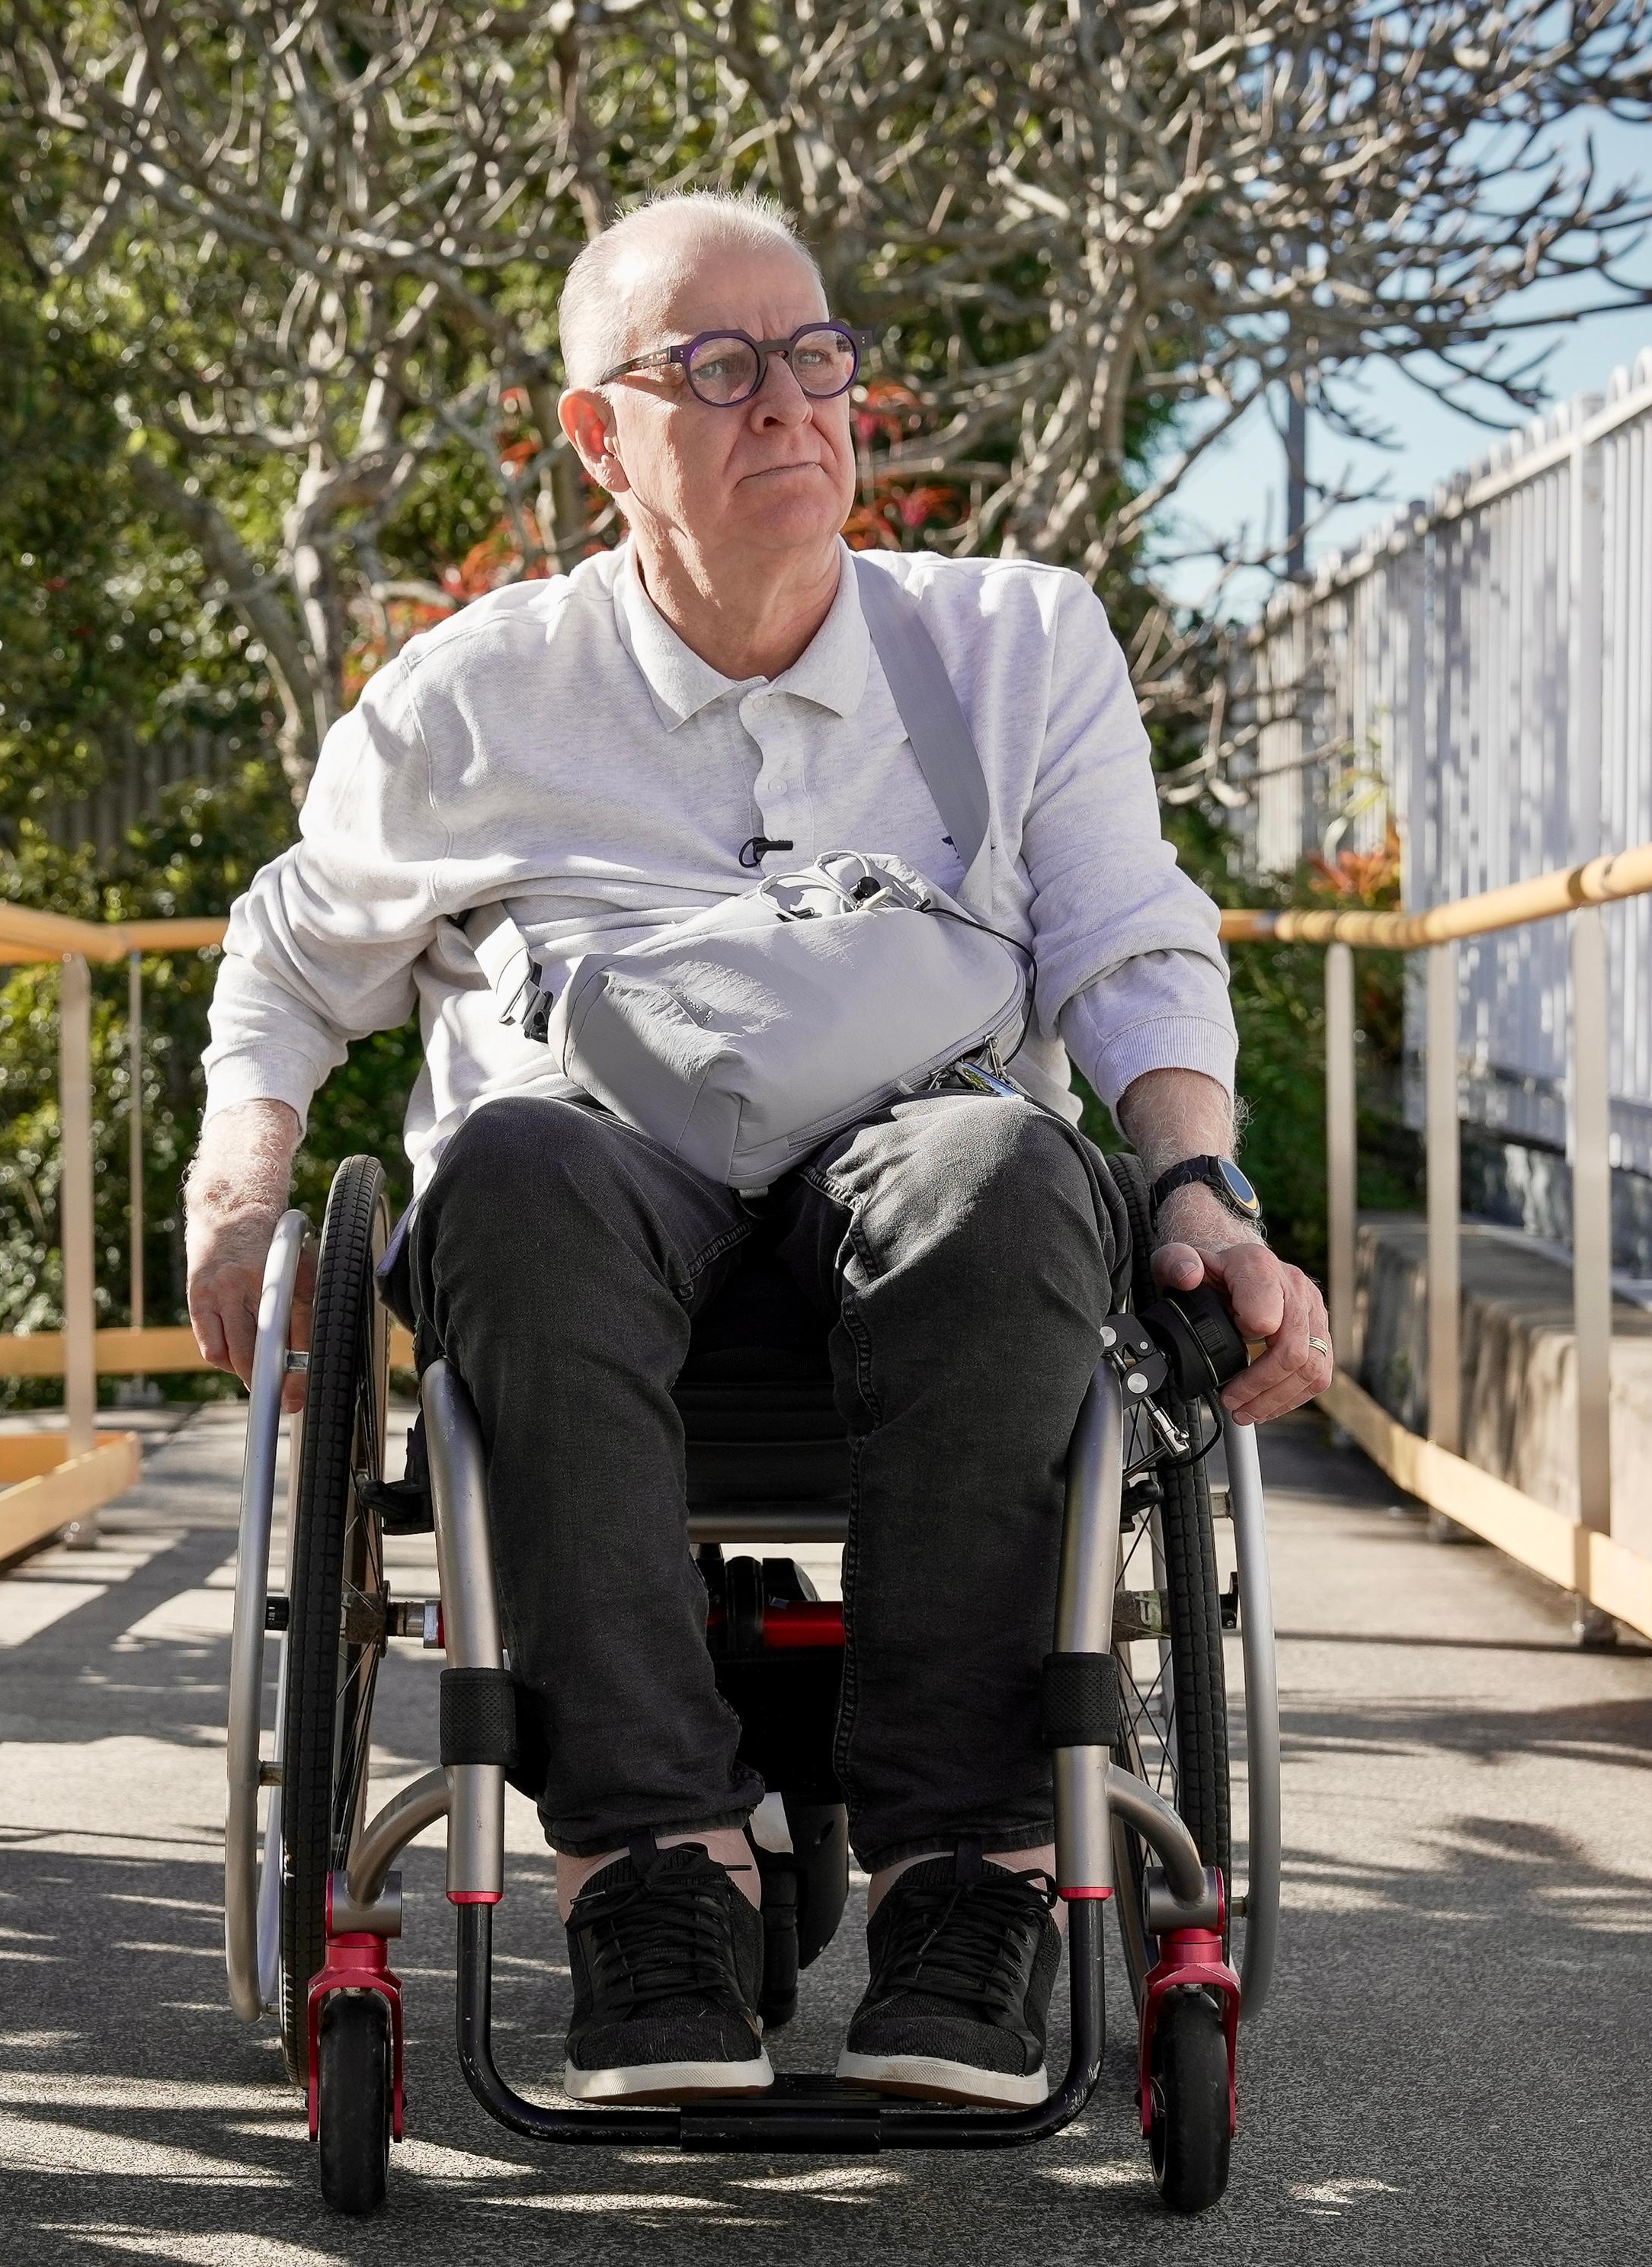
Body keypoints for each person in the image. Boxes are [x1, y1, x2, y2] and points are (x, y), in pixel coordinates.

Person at [186, 189, 1329, 2110]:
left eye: (813, 357)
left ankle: (970, 1868)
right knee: (517, 1178)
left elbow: (1131, 936)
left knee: (1004, 1171)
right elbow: (289, 961)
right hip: (591, 1194)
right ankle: (655, 1870)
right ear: (596, 434)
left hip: (920, 1186)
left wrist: (1200, 1187)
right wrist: (241, 1204)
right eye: (713, 369)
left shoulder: (1015, 643)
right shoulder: (477, 691)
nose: (785, 405)